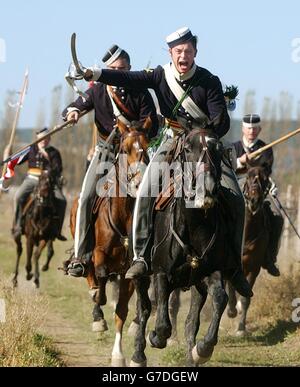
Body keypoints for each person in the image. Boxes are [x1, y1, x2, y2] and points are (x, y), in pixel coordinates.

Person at [79, 27, 253, 298]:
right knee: (146, 191)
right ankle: (141, 257)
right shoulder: (160, 76)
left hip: (203, 144)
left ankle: (234, 268)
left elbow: (222, 122)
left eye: (188, 50)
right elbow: (128, 77)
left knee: (236, 198)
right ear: (171, 53)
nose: (184, 56)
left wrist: (203, 132)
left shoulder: (209, 80)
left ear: (196, 52)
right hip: (172, 143)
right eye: (178, 51)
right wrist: (97, 74)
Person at [63, 44, 159, 277]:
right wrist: (72, 113)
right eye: (113, 68)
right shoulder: (98, 90)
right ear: (107, 69)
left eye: (122, 68)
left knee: (157, 196)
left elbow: (152, 124)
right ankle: (81, 257)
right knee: (86, 197)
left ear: (129, 68)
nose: (117, 72)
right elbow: (76, 105)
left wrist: (135, 132)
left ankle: (152, 254)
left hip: (134, 153)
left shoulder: (141, 92)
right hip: (106, 152)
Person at [233, 113, 284, 276]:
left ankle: (269, 258)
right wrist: (240, 161)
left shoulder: (266, 149)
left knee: (277, 216)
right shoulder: (234, 148)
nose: (251, 131)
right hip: (236, 188)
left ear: (259, 129)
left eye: (255, 128)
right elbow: (227, 168)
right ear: (243, 128)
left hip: (260, 191)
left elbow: (266, 171)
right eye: (248, 128)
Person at [11, 127, 67, 240]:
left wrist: (49, 169)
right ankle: (17, 225)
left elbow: (58, 168)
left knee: (62, 201)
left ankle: (57, 230)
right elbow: (17, 160)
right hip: (31, 179)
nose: (43, 141)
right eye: (41, 139)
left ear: (49, 139)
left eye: (46, 138)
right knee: (17, 197)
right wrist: (9, 155)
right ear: (37, 139)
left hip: (48, 181)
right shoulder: (31, 149)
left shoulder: (54, 152)